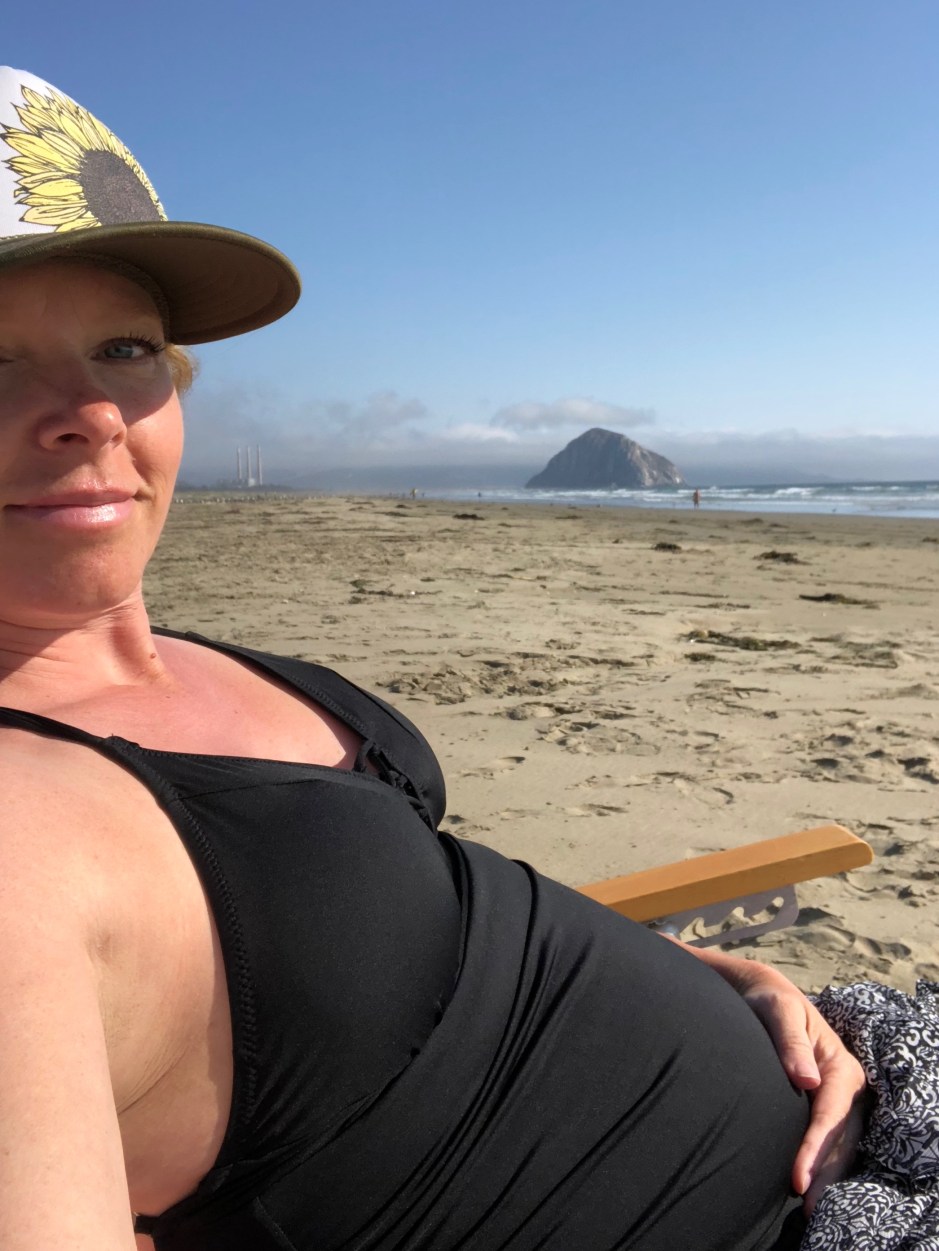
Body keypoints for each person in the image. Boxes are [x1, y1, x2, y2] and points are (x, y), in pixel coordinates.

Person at [0, 68, 865, 1251]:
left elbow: (388, 947)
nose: (94, 411)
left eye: (124, 347)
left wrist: (693, 972)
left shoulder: (184, 661)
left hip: (830, 1084)